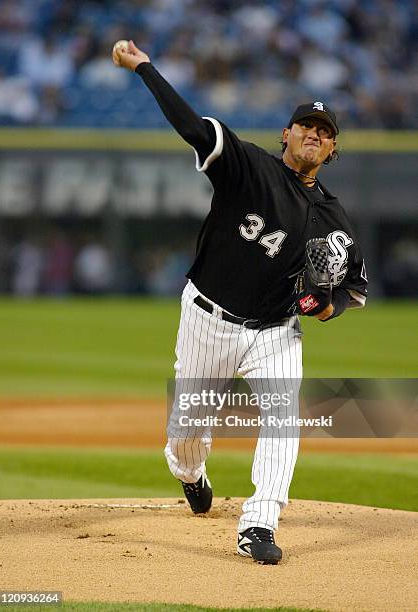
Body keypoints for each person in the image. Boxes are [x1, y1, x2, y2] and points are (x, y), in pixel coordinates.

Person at [114, 41, 368, 565]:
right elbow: (191, 127)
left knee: (282, 418)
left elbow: (352, 288)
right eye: (306, 125)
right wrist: (144, 67)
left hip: (275, 331)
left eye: (325, 132)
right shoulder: (248, 166)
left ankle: (259, 523)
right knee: (186, 436)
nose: (314, 134)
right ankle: (191, 472)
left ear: (332, 150)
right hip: (208, 316)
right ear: (287, 134)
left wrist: (328, 307)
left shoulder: (335, 219)